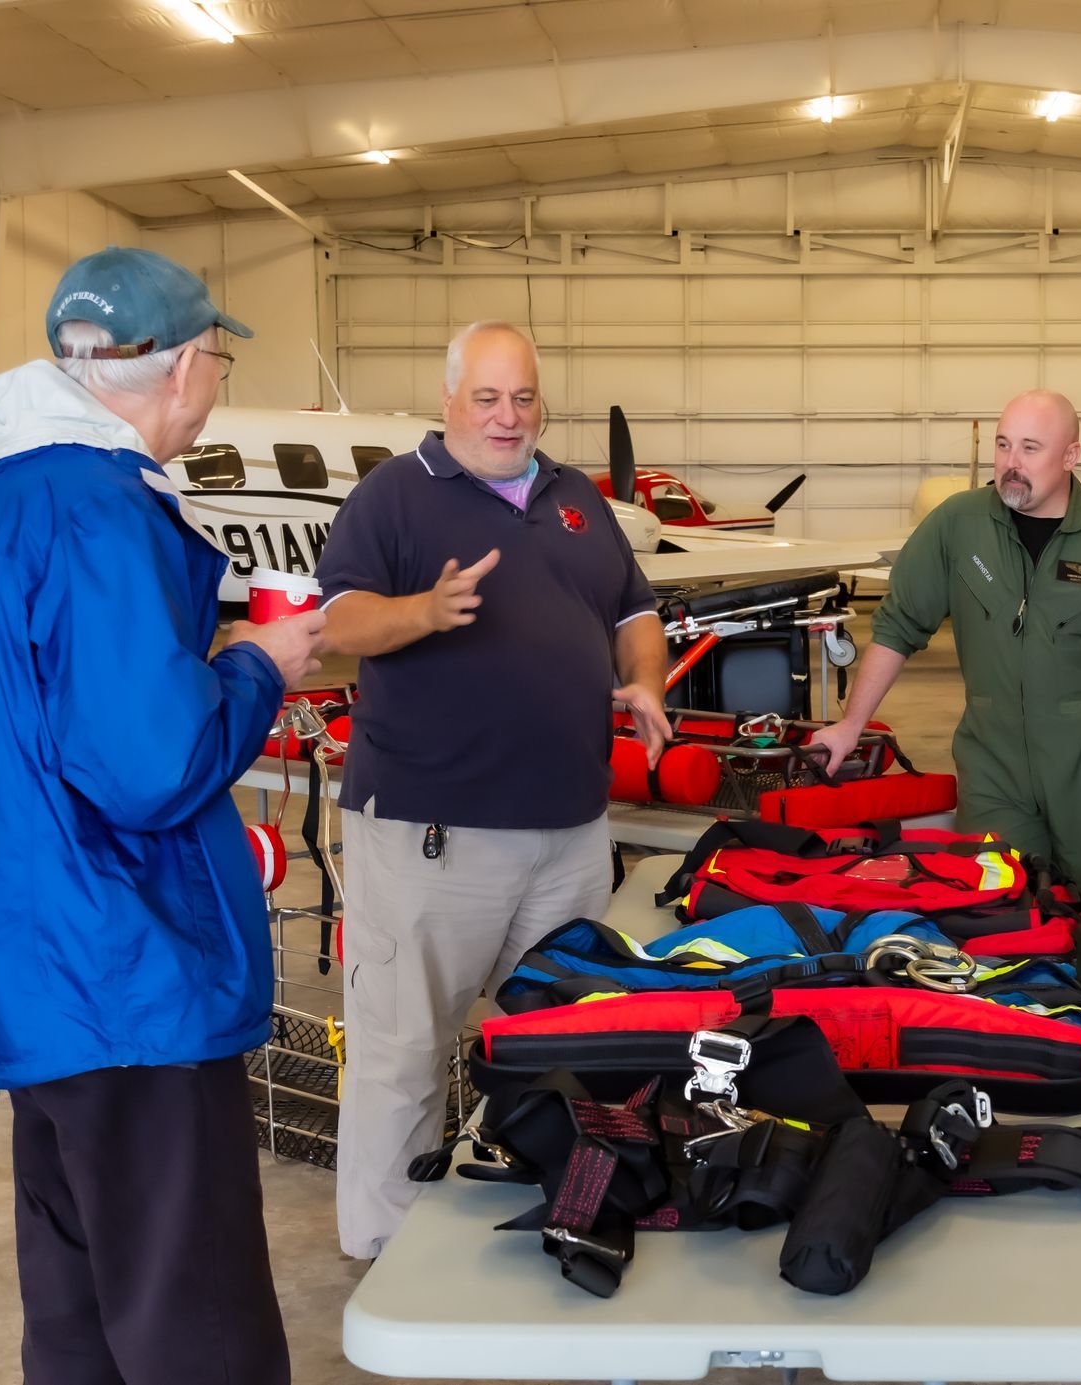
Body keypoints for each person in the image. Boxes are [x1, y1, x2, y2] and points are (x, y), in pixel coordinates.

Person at [0, 247, 324, 1384]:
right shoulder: (100, 510)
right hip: (124, 974)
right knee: (190, 1314)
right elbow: (150, 765)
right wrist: (256, 666)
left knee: (76, 1300)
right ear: (189, 363)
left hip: (29, 970)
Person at [316, 319, 669, 1260]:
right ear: (449, 400)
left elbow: (634, 605)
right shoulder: (394, 496)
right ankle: (386, 1255)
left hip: (570, 837)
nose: (508, 416)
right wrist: (424, 611)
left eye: (523, 397)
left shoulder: (576, 499)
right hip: (435, 834)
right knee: (402, 1051)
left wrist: (644, 678)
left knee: (571, 1045)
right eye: (487, 396)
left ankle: (558, 1216)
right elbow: (339, 619)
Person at [807, 389, 1081, 1031]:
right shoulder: (958, 526)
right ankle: (1013, 1048)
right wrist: (851, 723)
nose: (1011, 463)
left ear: (1071, 456)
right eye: (1004, 445)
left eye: (1030, 448)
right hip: (994, 756)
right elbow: (897, 626)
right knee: (996, 910)